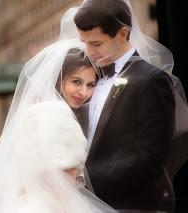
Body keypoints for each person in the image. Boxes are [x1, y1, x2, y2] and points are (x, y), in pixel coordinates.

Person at [0, 36, 117, 212]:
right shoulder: (57, 113)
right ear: (60, 78)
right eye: (76, 82)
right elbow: (60, 182)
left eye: (91, 85)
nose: (84, 92)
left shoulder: (34, 112)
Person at [71, 0, 186, 212]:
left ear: (123, 34)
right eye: (84, 42)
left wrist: (81, 179)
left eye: (96, 44)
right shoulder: (87, 80)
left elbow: (149, 159)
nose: (88, 51)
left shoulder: (151, 80)